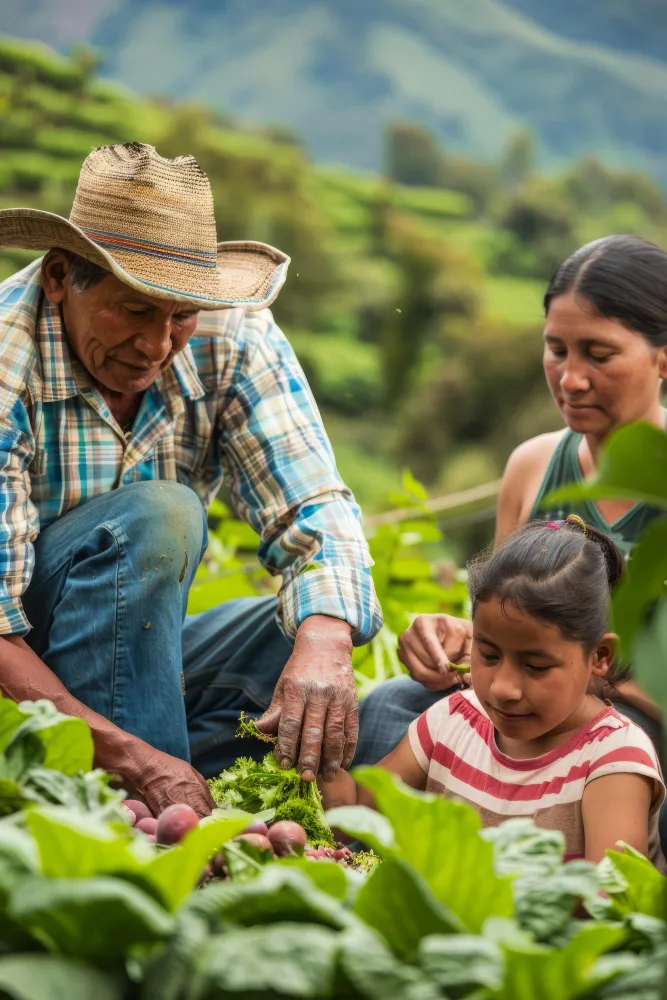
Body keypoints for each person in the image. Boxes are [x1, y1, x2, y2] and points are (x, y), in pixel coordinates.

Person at [0, 142, 382, 817]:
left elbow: (313, 502)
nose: (156, 345)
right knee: (158, 517)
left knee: (298, 634)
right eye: (134, 310)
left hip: (130, 652)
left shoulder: (233, 336)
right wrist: (131, 758)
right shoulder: (6, 365)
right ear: (61, 277)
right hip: (16, 666)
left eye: (179, 315)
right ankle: (146, 817)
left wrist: (323, 638)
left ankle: (171, 786)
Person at [355, 234, 667, 765]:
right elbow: (515, 621)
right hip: (529, 706)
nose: (570, 378)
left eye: (600, 354)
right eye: (557, 349)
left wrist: (586, 682)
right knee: (390, 707)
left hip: (636, 727)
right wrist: (464, 639)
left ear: (663, 360)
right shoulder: (533, 468)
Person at [325, 519, 665, 867]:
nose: (503, 689)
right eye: (488, 656)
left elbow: (612, 902)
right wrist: (317, 753)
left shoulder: (612, 761)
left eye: (535, 666)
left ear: (600, 657)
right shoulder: (455, 718)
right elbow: (353, 814)